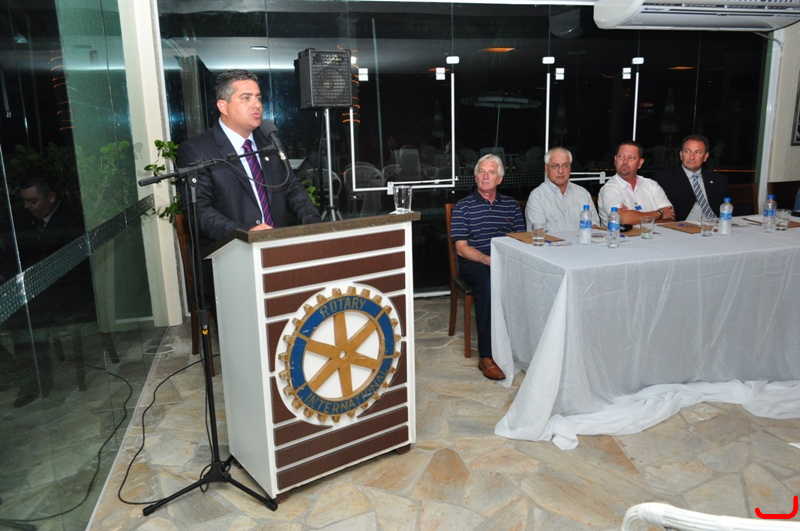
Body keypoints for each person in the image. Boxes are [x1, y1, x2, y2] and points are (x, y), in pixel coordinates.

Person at [176, 69, 321, 299]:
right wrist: (245, 233)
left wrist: (316, 228)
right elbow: (199, 211)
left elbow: (292, 188)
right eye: (246, 98)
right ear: (223, 106)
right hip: (233, 260)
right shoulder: (197, 150)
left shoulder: (269, 141)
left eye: (258, 97)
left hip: (280, 254)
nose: (256, 105)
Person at [1, 174, 86, 407]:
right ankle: (19, 372)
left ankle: (35, 379)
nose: (27, 206)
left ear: (51, 197)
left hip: (67, 291)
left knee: (24, 318)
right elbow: (15, 257)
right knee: (14, 312)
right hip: (34, 290)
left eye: (33, 201)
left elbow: (72, 267)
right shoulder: (25, 222)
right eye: (25, 201)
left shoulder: (71, 221)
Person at [450, 154, 525, 381]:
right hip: (475, 263)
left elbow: (520, 240)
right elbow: (461, 248)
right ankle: (487, 356)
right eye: (481, 172)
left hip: (505, 260)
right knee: (489, 284)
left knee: (532, 280)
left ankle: (524, 346)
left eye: (491, 172)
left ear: (499, 179)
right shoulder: (463, 207)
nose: (485, 176)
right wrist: (487, 260)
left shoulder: (511, 205)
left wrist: (506, 261)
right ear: (475, 177)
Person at [653, 135, 729, 223]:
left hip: (717, 225)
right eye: (687, 151)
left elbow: (727, 209)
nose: (692, 157)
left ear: (705, 156)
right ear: (681, 155)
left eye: (697, 152)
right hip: (683, 227)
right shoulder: (664, 178)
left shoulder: (719, 180)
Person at [598, 140, 675, 226]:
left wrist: (634, 218)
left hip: (656, 234)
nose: (625, 161)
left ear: (640, 163)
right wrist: (660, 213)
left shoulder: (652, 185)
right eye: (621, 156)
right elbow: (624, 219)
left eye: (631, 158)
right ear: (615, 160)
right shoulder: (609, 188)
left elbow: (669, 218)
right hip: (618, 235)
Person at [525, 147, 600, 232]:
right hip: (551, 241)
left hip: (582, 240)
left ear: (570, 168)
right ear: (546, 168)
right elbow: (539, 233)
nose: (561, 171)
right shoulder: (537, 196)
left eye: (565, 165)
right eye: (555, 166)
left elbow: (595, 227)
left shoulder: (583, 193)